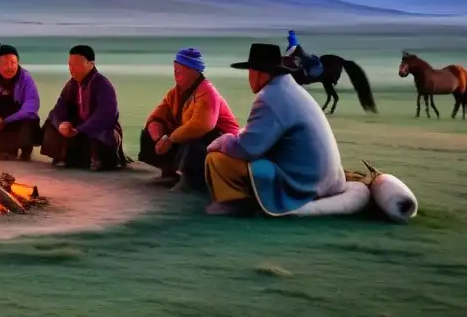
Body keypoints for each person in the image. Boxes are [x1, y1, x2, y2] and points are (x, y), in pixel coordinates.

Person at [204, 43, 346, 216]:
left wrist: (222, 141)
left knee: (217, 159)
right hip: (327, 178)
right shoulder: (289, 87)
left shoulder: (269, 97)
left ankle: (233, 203)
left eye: (250, 71)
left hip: (304, 182)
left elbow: (247, 148)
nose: (249, 77)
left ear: (260, 73)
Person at [138, 47, 240, 192]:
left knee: (195, 136)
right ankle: (169, 171)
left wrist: (170, 139)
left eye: (180, 70)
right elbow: (156, 117)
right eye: (175, 69)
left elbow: (202, 125)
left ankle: (190, 179)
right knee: (150, 131)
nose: (175, 73)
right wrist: (160, 138)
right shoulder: (174, 94)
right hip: (189, 137)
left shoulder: (207, 91)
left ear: (194, 71)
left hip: (222, 141)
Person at [40, 44, 130, 170]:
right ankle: (64, 157)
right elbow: (59, 108)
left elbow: (106, 114)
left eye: (76, 65)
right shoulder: (71, 85)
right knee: (51, 122)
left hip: (96, 128)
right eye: (70, 65)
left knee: (100, 134)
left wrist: (81, 129)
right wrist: (62, 124)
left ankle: (98, 160)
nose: (72, 69)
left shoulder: (102, 84)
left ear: (91, 64)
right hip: (76, 128)